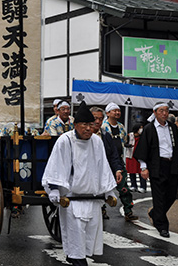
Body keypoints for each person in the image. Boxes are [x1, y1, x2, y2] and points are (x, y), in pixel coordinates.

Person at [42, 101, 116, 266]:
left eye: (92, 124)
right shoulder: (65, 141)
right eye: (84, 125)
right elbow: (56, 166)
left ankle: (75, 258)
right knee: (76, 241)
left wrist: (109, 191)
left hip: (93, 198)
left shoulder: (96, 142)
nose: (89, 128)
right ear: (75, 125)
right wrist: (54, 189)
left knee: (89, 237)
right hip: (72, 201)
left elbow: (103, 167)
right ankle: (76, 259)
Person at [134, 102, 178, 238]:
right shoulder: (149, 128)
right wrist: (143, 167)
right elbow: (143, 149)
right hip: (157, 165)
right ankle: (162, 226)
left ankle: (156, 213)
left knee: (172, 194)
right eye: (161, 111)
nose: (164, 113)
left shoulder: (173, 128)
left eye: (166, 111)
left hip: (172, 164)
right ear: (155, 112)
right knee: (159, 197)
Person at [102, 102, 138, 221]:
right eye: (114, 111)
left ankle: (128, 211)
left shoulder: (121, 127)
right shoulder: (103, 127)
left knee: (124, 187)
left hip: (118, 160)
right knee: (102, 187)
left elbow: (124, 141)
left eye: (118, 111)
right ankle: (102, 210)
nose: (117, 113)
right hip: (105, 161)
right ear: (108, 113)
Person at [90, 107, 123, 220]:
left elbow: (114, 154)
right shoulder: (80, 136)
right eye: (95, 118)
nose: (98, 122)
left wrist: (118, 169)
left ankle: (102, 208)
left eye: (100, 119)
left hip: (101, 171)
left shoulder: (105, 135)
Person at [125, 123, 146, 193]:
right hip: (131, 155)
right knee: (131, 171)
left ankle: (143, 186)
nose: (141, 130)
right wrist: (129, 145)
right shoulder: (129, 135)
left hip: (139, 156)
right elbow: (125, 143)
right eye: (140, 128)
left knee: (141, 171)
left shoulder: (143, 136)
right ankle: (133, 185)